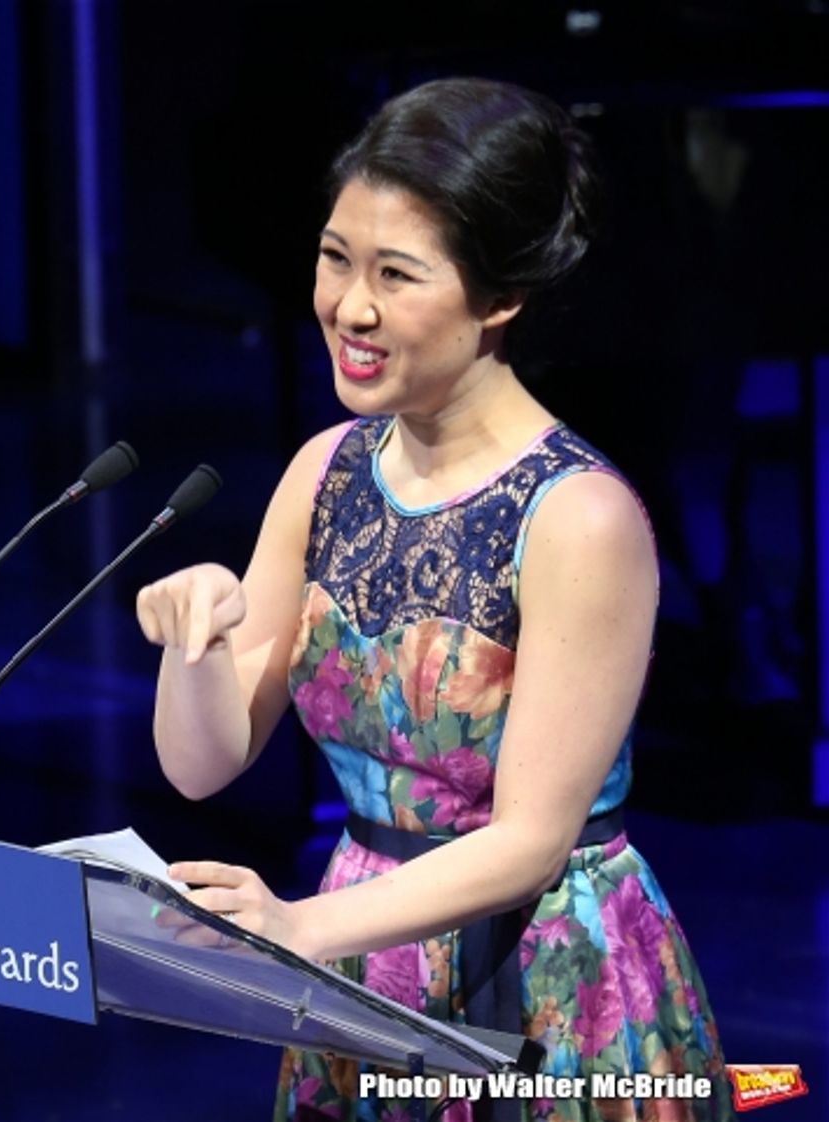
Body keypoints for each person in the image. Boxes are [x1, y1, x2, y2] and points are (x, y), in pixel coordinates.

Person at [135, 77, 732, 1122]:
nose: (348, 308)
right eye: (334, 259)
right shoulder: (324, 472)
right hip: (359, 963)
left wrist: (299, 931)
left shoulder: (577, 519)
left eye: (395, 275)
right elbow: (202, 764)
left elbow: (528, 843)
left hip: (542, 985)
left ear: (496, 298)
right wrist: (191, 648)